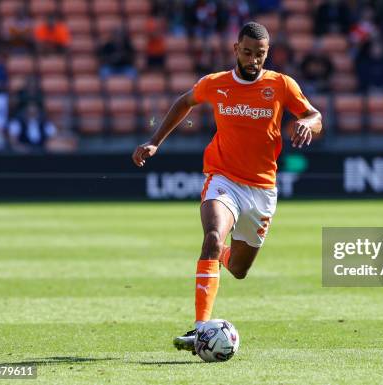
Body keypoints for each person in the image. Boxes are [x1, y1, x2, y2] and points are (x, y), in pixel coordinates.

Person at [131, 22, 322, 354]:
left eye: (259, 54)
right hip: (223, 179)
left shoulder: (281, 85)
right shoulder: (216, 84)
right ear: (236, 49)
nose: (253, 60)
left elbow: (315, 114)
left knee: (239, 269)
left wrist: (308, 122)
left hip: (262, 189)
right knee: (213, 237)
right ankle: (202, 327)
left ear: (267, 53)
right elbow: (184, 101)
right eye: (247, 52)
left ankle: (218, 261)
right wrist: (154, 142)